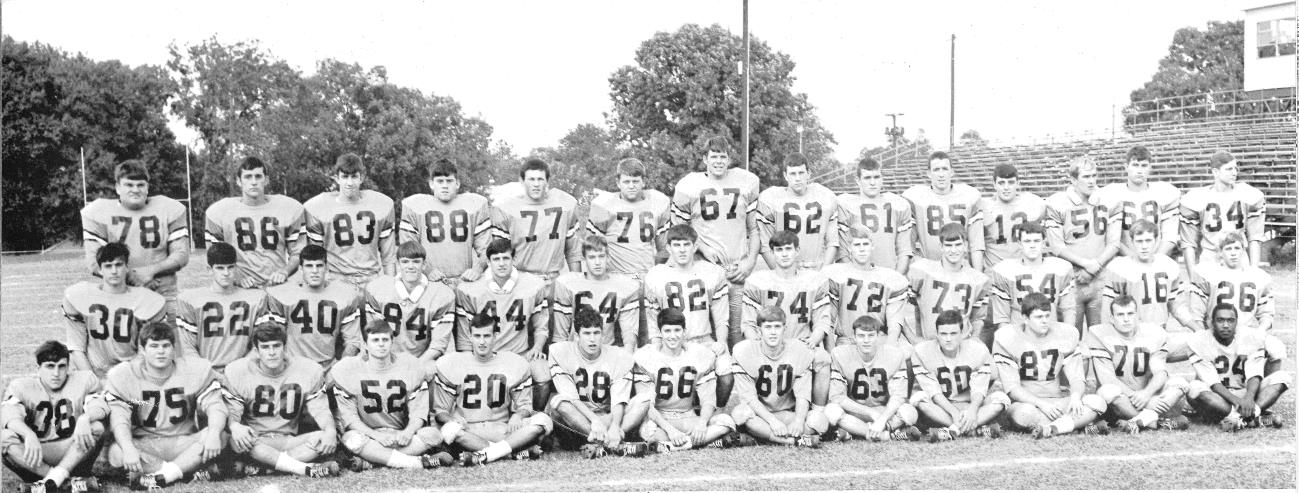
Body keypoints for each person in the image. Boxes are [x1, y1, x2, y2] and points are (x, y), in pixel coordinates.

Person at [103, 322, 228, 490]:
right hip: (146, 444)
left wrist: (213, 433)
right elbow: (119, 418)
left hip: (184, 442)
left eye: (165, 346)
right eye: (154, 346)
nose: (161, 351)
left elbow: (215, 405)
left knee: (220, 435)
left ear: (174, 349)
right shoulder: (125, 375)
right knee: (116, 452)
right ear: (142, 350)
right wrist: (128, 447)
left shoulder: (193, 369)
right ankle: (184, 470)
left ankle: (163, 476)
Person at [670, 136, 761, 343]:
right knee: (703, 332)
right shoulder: (689, 185)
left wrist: (749, 263)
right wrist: (702, 248)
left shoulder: (746, 181)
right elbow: (680, 230)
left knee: (737, 334)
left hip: (736, 269)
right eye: (714, 157)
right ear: (705, 159)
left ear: (729, 159)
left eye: (723, 157)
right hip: (703, 270)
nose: (719, 161)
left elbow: (754, 229)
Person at [328, 320, 451, 471]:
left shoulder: (409, 366)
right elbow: (350, 419)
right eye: (375, 340)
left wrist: (408, 432)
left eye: (385, 339)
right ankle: (416, 462)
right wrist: (376, 435)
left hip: (401, 436)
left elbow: (418, 412)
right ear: (365, 345)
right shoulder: (350, 369)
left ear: (392, 342)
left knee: (433, 434)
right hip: (369, 437)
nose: (381, 344)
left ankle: (374, 461)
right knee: (351, 439)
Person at [434, 313, 554, 466]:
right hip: (469, 431)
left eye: (487, 336)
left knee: (543, 420)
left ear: (495, 336)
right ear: (470, 337)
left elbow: (525, 407)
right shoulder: (453, 363)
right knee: (449, 430)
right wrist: (451, 419)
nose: (482, 342)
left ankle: (487, 454)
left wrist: (518, 415)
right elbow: (440, 412)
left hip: (502, 431)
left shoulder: (512, 362)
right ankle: (510, 454)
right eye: (477, 336)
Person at [223, 322, 340, 477]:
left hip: (289, 441)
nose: (272, 352)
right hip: (256, 440)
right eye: (265, 347)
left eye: (276, 346)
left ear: (284, 348)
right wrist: (235, 427)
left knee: (324, 436)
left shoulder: (307, 370)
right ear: (256, 351)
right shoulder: (238, 371)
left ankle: (267, 468)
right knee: (236, 441)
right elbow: (233, 412)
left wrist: (330, 431)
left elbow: (320, 409)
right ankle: (303, 469)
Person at [80, 159, 190, 320]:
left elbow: (181, 254)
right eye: (129, 185)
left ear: (147, 187)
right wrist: (134, 279)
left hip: (163, 294)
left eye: (140, 185)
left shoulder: (169, 208)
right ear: (118, 187)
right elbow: (94, 262)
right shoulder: (98, 212)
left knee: (165, 343)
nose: (135, 190)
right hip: (119, 296)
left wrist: (150, 271)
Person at [642, 225, 734, 406]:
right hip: (671, 342)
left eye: (687, 244)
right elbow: (653, 319)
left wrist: (721, 342)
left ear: (695, 246)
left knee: (726, 375)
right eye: (677, 245)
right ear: (668, 247)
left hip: (703, 339)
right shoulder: (656, 275)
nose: (682, 250)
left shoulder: (712, 272)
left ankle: (718, 412)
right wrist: (657, 347)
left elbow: (721, 315)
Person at [741, 231, 832, 415]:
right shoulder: (757, 281)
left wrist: (814, 340)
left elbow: (822, 319)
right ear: (772, 253)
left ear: (797, 251)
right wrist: (758, 346)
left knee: (822, 358)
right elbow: (748, 323)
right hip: (768, 345)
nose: (784, 254)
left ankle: (818, 412)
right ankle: (761, 410)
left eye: (788, 249)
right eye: (779, 250)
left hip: (800, 341)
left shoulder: (814, 280)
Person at [994, 294, 1109, 439]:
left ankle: (1054, 428)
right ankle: (1076, 425)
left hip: (1057, 401)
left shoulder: (1064, 334)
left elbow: (1077, 377)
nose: (1044, 321)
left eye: (1047, 316)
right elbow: (1012, 389)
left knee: (1097, 402)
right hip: (1027, 404)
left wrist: (1075, 396)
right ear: (1025, 318)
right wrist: (1041, 404)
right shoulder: (1008, 338)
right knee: (1023, 415)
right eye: (1038, 317)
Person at [453, 238, 552, 407]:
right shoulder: (470, 289)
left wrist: (537, 347)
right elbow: (464, 338)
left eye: (506, 258)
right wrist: (472, 363)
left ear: (514, 260)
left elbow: (541, 326)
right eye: (496, 259)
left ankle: (533, 417)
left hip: (520, 354)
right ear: (489, 262)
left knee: (542, 375)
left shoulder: (532, 285)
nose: (501, 264)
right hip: (485, 356)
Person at [1, 341, 109, 493]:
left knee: (96, 426)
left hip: (74, 451)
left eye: (61, 366)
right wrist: (28, 434)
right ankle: (60, 480)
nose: (56, 373)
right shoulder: (21, 386)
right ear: (38, 368)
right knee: (4, 437)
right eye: (50, 366)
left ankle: (50, 483)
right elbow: (8, 415)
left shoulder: (84, 380)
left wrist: (86, 418)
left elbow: (101, 406)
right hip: (36, 456)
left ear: (68, 367)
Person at [546, 307, 648, 458]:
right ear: (576, 336)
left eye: (596, 333)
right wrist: (594, 421)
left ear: (603, 334)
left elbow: (619, 400)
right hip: (579, 419)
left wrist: (614, 426)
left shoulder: (618, 356)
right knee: (558, 402)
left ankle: (602, 443)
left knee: (643, 400)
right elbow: (571, 397)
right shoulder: (561, 352)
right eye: (586, 333)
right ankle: (612, 444)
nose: (592, 339)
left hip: (608, 415)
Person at [632, 308, 737, 452]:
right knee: (649, 432)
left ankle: (671, 447)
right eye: (667, 331)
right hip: (661, 419)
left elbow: (708, 399)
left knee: (725, 421)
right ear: (660, 332)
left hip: (688, 416)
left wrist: (702, 422)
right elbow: (646, 406)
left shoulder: (698, 354)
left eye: (677, 330)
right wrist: (670, 430)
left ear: (684, 331)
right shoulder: (646, 356)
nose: (673, 336)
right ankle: (702, 442)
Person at [1086, 295, 1190, 434]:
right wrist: (1138, 397)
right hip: (1121, 399)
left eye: (1130, 313)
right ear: (1111, 318)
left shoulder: (1152, 333)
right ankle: (1156, 423)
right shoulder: (1100, 334)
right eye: (1120, 314)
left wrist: (1146, 394)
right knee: (1108, 391)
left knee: (1180, 383)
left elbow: (1160, 372)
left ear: (1137, 315)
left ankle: (1137, 421)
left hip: (1148, 394)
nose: (1126, 319)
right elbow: (1107, 379)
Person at [63, 242, 167, 379]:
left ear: (127, 267)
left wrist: (126, 380)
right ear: (100, 270)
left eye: (118, 265)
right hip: (93, 375)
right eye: (108, 266)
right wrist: (94, 382)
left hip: (132, 376)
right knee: (78, 400)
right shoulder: (80, 296)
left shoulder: (145, 300)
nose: (114, 271)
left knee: (147, 402)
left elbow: (148, 350)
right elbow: (76, 347)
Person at [730, 307, 828, 447]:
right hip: (760, 414)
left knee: (819, 420)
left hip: (787, 413)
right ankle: (794, 440)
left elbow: (803, 393)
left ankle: (762, 437)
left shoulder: (798, 350)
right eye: (768, 327)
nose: (773, 332)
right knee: (740, 414)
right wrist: (772, 421)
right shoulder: (745, 351)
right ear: (759, 330)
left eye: (777, 327)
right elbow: (749, 398)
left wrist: (799, 421)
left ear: (785, 328)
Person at [203, 156, 305, 288]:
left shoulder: (288, 208)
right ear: (239, 181)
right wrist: (238, 277)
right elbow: (215, 257)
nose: (253, 182)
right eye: (248, 177)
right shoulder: (219, 211)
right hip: (240, 289)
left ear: (266, 180)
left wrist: (284, 271)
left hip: (277, 287)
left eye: (258, 176)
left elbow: (298, 253)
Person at [260, 245, 365, 372]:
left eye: (319, 266)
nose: (314, 271)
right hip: (293, 366)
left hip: (327, 366)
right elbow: (273, 338)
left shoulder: (345, 295)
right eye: (309, 266)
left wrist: (339, 369)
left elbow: (353, 341)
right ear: (300, 269)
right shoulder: (282, 294)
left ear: (326, 268)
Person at [1186, 303, 1291, 431]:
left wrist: (1248, 398)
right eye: (1220, 320)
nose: (1225, 325)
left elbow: (1254, 374)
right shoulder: (1199, 341)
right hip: (1218, 396)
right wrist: (1237, 401)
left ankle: (1244, 416)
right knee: (1193, 387)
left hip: (1244, 391)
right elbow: (1213, 383)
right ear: (1212, 323)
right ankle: (1251, 419)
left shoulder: (1250, 336)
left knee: (1283, 377)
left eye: (1230, 320)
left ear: (1236, 322)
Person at [911, 310, 1009, 441]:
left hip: (969, 404)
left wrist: (972, 411)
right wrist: (954, 412)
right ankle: (974, 430)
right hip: (941, 407)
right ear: (936, 334)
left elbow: (979, 389)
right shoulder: (922, 351)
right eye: (943, 334)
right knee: (919, 399)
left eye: (953, 333)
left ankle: (954, 430)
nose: (948, 339)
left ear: (962, 334)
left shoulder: (977, 349)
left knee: (1001, 399)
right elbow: (934, 393)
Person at [304, 153, 397, 288]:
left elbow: (388, 254)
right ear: (336, 178)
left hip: (371, 278)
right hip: (336, 280)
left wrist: (390, 287)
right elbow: (314, 257)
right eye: (345, 177)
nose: (349, 183)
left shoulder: (382, 204)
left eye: (354, 177)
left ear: (362, 178)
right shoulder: (317, 206)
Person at [824, 316, 922, 442]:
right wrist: (870, 412)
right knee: (830, 411)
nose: (866, 340)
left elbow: (898, 396)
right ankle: (885, 435)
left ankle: (858, 431)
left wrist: (882, 419)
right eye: (861, 336)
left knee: (910, 413)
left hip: (883, 411)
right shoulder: (841, 354)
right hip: (856, 411)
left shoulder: (894, 354)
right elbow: (837, 397)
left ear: (879, 337)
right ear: (854, 337)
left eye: (871, 335)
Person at [398, 158, 494, 286]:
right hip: (429, 281)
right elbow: (408, 250)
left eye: (449, 181)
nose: (444, 185)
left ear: (457, 183)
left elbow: (487, 249)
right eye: (440, 181)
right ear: (431, 184)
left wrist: (477, 269)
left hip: (464, 281)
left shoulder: (474, 204)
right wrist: (427, 270)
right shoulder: (414, 206)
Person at [1045, 156, 1115, 331]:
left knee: (1101, 336)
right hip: (1071, 280)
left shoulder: (1108, 200)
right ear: (1073, 180)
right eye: (1086, 177)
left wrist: (1095, 266)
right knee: (1070, 335)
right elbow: (1056, 246)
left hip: (1100, 279)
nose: (1092, 181)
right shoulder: (1057, 203)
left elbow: (1114, 243)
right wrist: (1086, 265)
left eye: (1094, 176)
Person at [175, 242, 268, 371]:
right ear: (209, 269)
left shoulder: (256, 299)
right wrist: (204, 372)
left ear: (236, 267)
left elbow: (258, 345)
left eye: (230, 267)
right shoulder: (190, 300)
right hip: (205, 372)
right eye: (220, 268)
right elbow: (188, 347)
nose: (226, 273)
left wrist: (240, 370)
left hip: (243, 371)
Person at [1098, 220, 1199, 332]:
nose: (1144, 246)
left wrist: (1197, 328)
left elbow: (1176, 305)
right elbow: (1108, 309)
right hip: (1130, 333)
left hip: (1160, 331)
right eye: (1139, 241)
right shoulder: (1119, 268)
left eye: (1148, 240)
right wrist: (1108, 336)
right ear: (1132, 241)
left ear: (1156, 240)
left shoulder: (1168, 265)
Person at [364, 241, 456, 364]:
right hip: (387, 360)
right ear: (398, 264)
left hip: (424, 360)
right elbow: (374, 336)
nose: (410, 266)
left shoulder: (441, 295)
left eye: (416, 261)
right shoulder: (378, 290)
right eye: (405, 261)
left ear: (424, 265)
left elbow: (438, 344)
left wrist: (415, 367)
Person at [490, 158, 582, 278]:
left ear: (547, 182)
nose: (536, 184)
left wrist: (578, 284)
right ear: (522, 181)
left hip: (553, 278)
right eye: (531, 179)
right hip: (521, 280)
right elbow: (499, 255)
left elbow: (573, 251)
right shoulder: (506, 208)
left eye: (540, 179)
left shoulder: (565, 203)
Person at [1179, 150, 1266, 275]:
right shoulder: (1197, 197)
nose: (1234, 172)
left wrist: (1254, 270)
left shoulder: (1247, 194)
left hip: (1239, 259)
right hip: (1210, 259)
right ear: (1215, 172)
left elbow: (1255, 238)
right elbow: (1188, 243)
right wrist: (1193, 276)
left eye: (1236, 168)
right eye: (1229, 169)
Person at [584, 157, 672, 277]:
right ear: (618, 182)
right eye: (626, 182)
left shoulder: (658, 201)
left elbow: (664, 248)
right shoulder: (602, 205)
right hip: (615, 278)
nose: (631, 186)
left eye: (635, 181)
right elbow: (591, 251)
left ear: (644, 181)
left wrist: (655, 274)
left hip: (647, 276)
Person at [823, 225, 911, 345]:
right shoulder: (837, 274)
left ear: (872, 246)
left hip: (878, 340)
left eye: (865, 244)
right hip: (848, 341)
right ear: (849, 248)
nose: (862, 249)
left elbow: (894, 324)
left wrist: (889, 350)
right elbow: (829, 321)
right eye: (857, 245)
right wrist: (831, 353)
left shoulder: (889, 278)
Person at [988, 221, 1076, 341]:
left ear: (1044, 243)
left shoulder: (1061, 268)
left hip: (1051, 335)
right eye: (1027, 241)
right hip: (1019, 336)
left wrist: (1066, 338)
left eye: (1036, 241)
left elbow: (1068, 310)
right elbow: (1002, 318)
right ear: (1019, 243)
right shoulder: (1005, 271)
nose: (1032, 245)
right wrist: (1010, 344)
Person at [906, 223, 991, 343]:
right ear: (941, 246)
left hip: (962, 345)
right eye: (948, 245)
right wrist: (913, 338)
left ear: (966, 245)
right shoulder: (922, 271)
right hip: (929, 344)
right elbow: (908, 306)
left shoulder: (977, 279)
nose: (953, 250)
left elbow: (978, 318)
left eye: (958, 245)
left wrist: (974, 339)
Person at [551, 236, 643, 347]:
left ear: (608, 258)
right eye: (592, 257)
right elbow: (560, 335)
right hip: (576, 349)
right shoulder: (568, 284)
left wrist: (628, 353)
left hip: (607, 349)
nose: (597, 262)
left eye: (601, 256)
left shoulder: (624, 285)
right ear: (584, 259)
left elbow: (629, 332)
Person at [902, 151, 986, 271]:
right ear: (929, 173)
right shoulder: (916, 198)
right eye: (936, 170)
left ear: (952, 172)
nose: (941, 174)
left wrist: (978, 274)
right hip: (929, 267)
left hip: (961, 268)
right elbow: (909, 246)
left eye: (945, 169)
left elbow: (976, 244)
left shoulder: (969, 196)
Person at [832, 157, 915, 274]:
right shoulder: (845, 205)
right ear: (858, 180)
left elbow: (904, 250)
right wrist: (855, 277)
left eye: (876, 177)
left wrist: (896, 278)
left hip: (889, 274)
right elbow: (842, 252)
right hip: (857, 278)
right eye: (867, 178)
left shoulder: (897, 204)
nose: (872, 182)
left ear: (882, 179)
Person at [756, 152, 839, 269]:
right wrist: (780, 273)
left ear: (809, 173)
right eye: (793, 174)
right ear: (785, 175)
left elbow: (833, 242)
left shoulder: (825, 196)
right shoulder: (771, 198)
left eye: (801, 173)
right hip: (785, 269)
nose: (797, 178)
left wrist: (823, 273)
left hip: (816, 268)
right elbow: (764, 244)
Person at [1095, 145, 1181, 258]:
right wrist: (1133, 258)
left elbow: (1170, 236)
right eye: (1135, 165)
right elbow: (1110, 237)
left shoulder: (1165, 192)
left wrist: (1155, 259)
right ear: (1126, 167)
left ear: (1150, 167)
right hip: (1123, 260)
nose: (1139, 170)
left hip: (1156, 258)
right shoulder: (1111, 193)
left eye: (1144, 166)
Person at [1188, 232, 1274, 333]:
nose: (1233, 253)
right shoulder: (1208, 274)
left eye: (1237, 248)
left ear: (1243, 250)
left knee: (1276, 347)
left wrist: (1259, 332)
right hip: (1215, 334)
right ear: (1220, 252)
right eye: (1228, 249)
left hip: (1245, 334)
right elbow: (1197, 313)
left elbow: (1266, 314)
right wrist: (1202, 335)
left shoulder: (1258, 277)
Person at [980, 164, 1047, 269]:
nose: (1006, 187)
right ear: (994, 184)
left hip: (1024, 270)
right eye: (1001, 183)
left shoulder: (1033, 203)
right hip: (994, 271)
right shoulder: (984, 206)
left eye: (1011, 182)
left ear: (1018, 183)